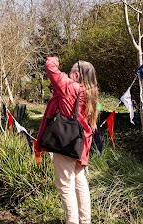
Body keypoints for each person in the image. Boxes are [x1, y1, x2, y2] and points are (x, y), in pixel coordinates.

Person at [36, 58, 98, 224]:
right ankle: (85, 221)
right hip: (81, 145)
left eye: (70, 71)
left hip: (66, 144)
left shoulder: (71, 87)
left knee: (65, 186)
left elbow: (51, 68)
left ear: (76, 74)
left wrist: (54, 58)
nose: (68, 74)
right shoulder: (90, 91)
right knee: (79, 184)